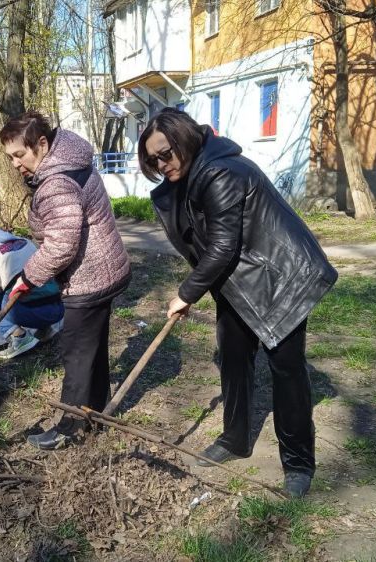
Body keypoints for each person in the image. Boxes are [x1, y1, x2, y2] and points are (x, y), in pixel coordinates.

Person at [139, 108, 338, 497]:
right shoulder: (189, 175)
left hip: (282, 277)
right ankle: (235, 439)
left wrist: (186, 294)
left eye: (166, 154)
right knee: (232, 357)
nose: (161, 165)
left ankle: (298, 463)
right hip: (239, 280)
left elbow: (223, 246)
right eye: (153, 160)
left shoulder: (221, 172)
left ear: (185, 141)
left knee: (287, 369)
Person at [0, 111, 131, 450]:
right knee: (92, 348)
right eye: (10, 157)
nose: (15, 164)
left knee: (77, 353)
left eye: (19, 154)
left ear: (42, 144)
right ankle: (94, 415)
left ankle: (70, 428)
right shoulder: (70, 159)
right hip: (105, 269)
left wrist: (28, 277)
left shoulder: (56, 182)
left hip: (90, 277)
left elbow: (61, 244)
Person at [0, 222, 64, 360]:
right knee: (24, 288)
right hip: (57, 308)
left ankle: (19, 337)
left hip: (33, 313)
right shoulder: (25, 242)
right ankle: (45, 329)